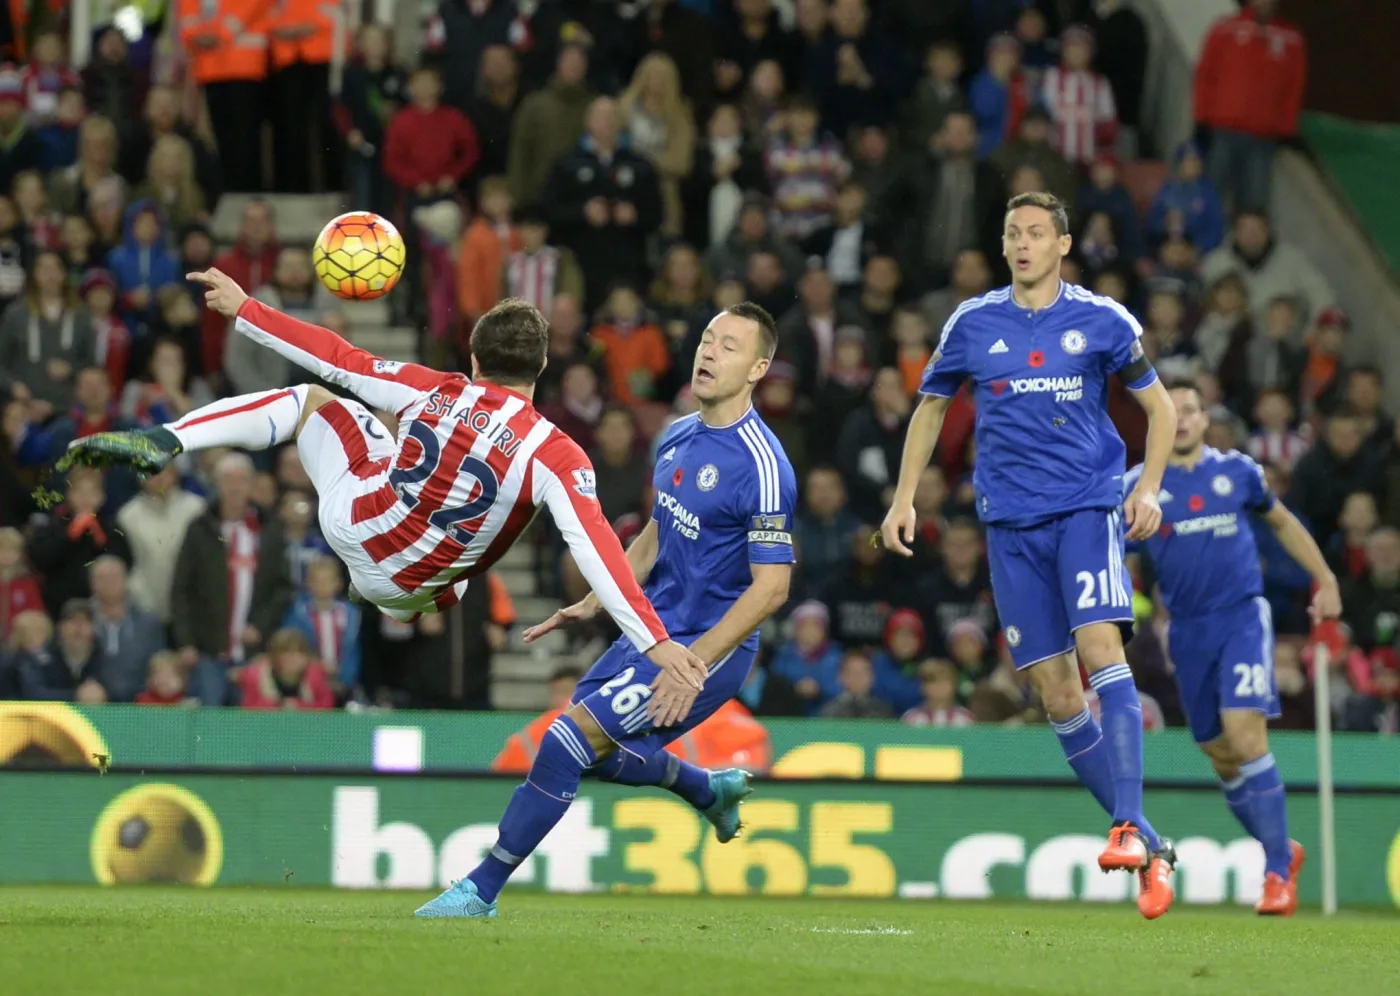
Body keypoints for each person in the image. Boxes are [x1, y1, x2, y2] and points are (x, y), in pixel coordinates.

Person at [61, 273, 704, 691]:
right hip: (411, 590)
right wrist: (655, 642)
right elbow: (597, 555)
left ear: (475, 359)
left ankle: (168, 438)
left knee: (314, 399)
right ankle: (420, 596)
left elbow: (337, 356)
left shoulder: (431, 388)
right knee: (463, 557)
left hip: (353, 520)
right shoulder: (558, 454)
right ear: (541, 369)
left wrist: (246, 308)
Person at [415, 300, 796, 918]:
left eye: (729, 346)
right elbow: (655, 532)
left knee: (565, 743)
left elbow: (772, 588)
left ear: (758, 368)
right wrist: (597, 601)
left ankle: (478, 890)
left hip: (708, 648)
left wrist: (691, 664)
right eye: (706, 338)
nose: (707, 352)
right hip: (652, 631)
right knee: (592, 753)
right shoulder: (675, 435)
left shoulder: (764, 464)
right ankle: (706, 789)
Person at [878, 190, 1180, 920]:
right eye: (1012, 232)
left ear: (1062, 244)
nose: (1021, 244)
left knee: (1101, 645)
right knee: (1055, 693)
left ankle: (1123, 826)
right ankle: (1148, 840)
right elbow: (931, 407)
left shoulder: (1102, 320)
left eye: (1036, 233)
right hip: (1007, 524)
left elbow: (1161, 409)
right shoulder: (974, 323)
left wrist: (1152, 490)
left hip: (1083, 508)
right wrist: (903, 496)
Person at [1125, 380, 1338, 915]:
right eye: (1173, 412)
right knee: (1219, 754)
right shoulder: (1140, 487)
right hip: (1188, 630)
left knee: (1245, 737)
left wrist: (1325, 579)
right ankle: (1280, 848)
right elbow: (1107, 545)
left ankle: (1274, 877)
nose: (1184, 419)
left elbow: (1283, 523)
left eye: (1192, 409)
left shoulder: (1238, 472)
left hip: (1243, 616)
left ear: (1204, 419)